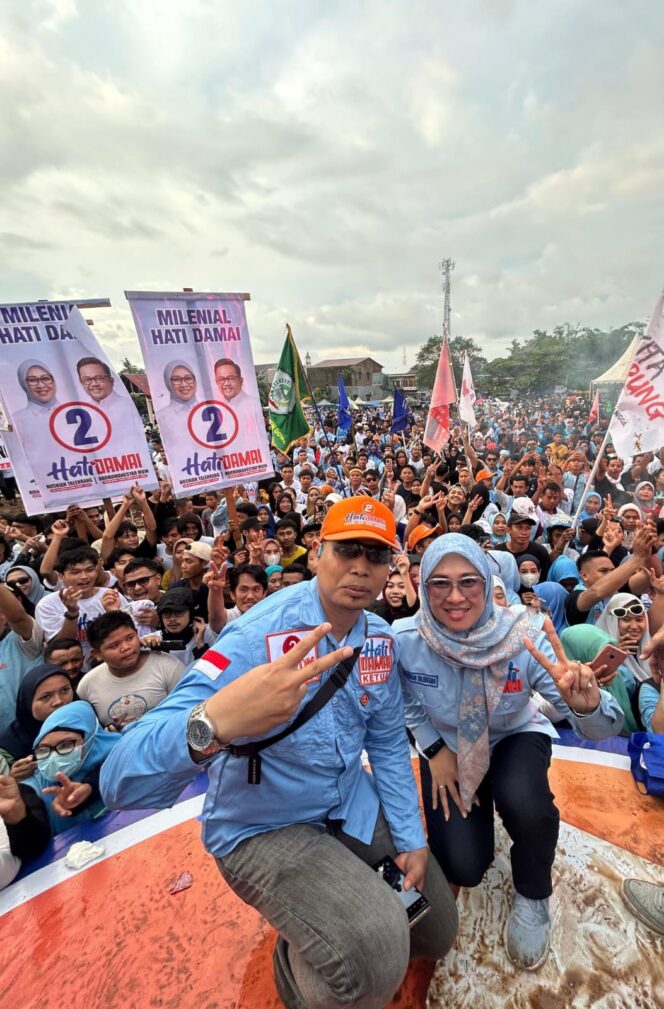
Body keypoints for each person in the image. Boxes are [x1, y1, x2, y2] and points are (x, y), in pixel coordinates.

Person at [100, 498, 458, 1009]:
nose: (360, 567)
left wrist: (411, 839)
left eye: (376, 556)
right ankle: (296, 960)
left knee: (435, 932)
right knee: (377, 959)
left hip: (347, 806)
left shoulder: (378, 639)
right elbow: (119, 780)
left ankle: (323, 918)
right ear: (318, 553)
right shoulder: (251, 639)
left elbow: (384, 743)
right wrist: (215, 723)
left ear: (391, 568)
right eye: (347, 551)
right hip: (264, 827)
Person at [394, 534, 623, 970]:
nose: (455, 597)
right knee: (464, 866)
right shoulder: (406, 638)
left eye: (469, 582)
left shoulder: (526, 634)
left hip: (513, 734)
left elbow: (595, 728)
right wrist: (434, 748)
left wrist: (584, 703)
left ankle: (534, 892)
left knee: (524, 799)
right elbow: (402, 699)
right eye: (440, 583)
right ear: (422, 587)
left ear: (488, 580)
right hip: (450, 750)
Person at [77, 612, 185, 729]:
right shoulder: (87, 685)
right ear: (97, 654)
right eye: (114, 645)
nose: (126, 647)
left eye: (130, 638)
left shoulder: (168, 666)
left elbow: (188, 712)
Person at [0, 664, 75, 778]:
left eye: (65, 690)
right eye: (46, 697)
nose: (59, 701)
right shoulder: (10, 745)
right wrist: (13, 776)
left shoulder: (90, 723)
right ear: (28, 704)